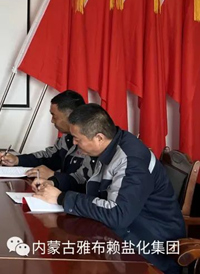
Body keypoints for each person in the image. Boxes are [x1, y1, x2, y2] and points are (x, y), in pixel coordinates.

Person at [32, 103, 185, 274]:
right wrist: (55, 183)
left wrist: (61, 198)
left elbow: (118, 215)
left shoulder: (130, 160)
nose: (74, 143)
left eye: (77, 139)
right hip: (120, 235)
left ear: (98, 137)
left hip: (148, 247)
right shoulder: (108, 147)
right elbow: (88, 182)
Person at [0, 90, 94, 182]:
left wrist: (53, 175)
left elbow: (82, 181)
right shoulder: (67, 138)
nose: (52, 121)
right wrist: (17, 160)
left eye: (54, 116)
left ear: (71, 116)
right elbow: (49, 157)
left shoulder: (91, 143)